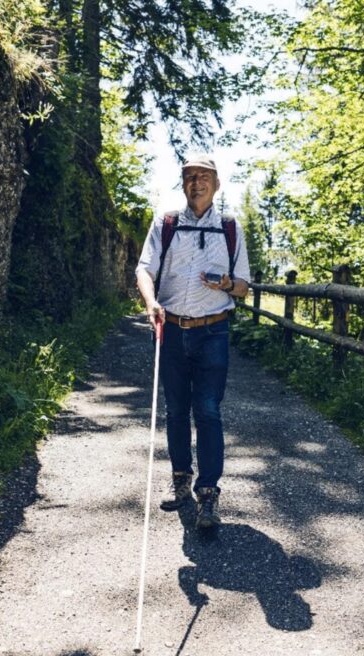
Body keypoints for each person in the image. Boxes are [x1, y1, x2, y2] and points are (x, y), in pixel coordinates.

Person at [135, 154, 251, 528]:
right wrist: (152, 303)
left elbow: (245, 287)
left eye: (204, 176)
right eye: (189, 176)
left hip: (213, 330)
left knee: (208, 410)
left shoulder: (230, 228)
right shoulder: (166, 223)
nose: (196, 182)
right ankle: (181, 483)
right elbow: (144, 268)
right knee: (175, 409)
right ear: (183, 183)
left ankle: (208, 494)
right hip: (171, 329)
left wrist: (227, 285)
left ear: (217, 184)